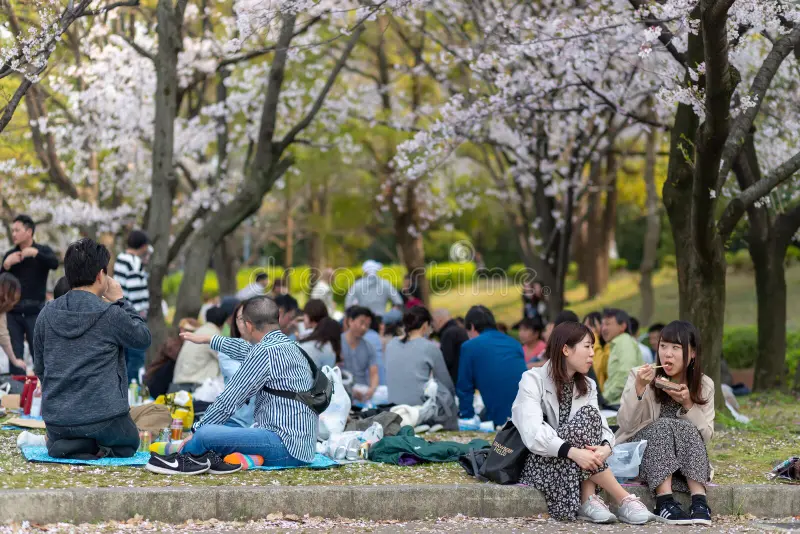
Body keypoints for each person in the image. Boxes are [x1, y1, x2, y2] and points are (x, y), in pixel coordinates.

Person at [159, 296, 317, 475]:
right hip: (304, 448)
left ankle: (182, 453)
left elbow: (228, 401)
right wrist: (209, 339)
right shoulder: (291, 346)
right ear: (276, 318)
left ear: (249, 325)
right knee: (218, 431)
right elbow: (244, 349)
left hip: (284, 446)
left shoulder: (265, 352)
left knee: (206, 435)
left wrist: (196, 431)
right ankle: (247, 458)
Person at [512, 322, 650, 523]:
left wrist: (605, 447)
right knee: (587, 418)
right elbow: (533, 432)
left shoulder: (588, 385)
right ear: (566, 349)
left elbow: (600, 426)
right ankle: (623, 499)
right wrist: (574, 452)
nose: (592, 353)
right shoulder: (532, 380)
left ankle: (589, 498)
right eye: (587, 346)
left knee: (590, 417)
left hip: (575, 462)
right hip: (542, 461)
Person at [33, 238, 151, 459]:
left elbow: (40, 368)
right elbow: (143, 338)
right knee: (129, 441)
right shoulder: (111, 314)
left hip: (57, 421)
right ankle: (94, 446)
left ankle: (72, 444)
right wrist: (121, 300)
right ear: (100, 275)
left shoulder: (46, 314)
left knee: (75, 431)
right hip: (104, 420)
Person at [616, 320, 714, 525]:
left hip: (685, 466)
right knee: (663, 425)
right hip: (643, 454)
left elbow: (705, 437)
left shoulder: (704, 385)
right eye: (663, 346)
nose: (667, 354)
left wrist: (688, 405)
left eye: (676, 348)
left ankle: (699, 501)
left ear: (693, 353)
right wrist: (640, 389)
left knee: (684, 426)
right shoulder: (640, 375)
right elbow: (625, 424)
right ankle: (664, 502)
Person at [1, 214, 59, 376]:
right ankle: (17, 393)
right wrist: (6, 266)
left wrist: (35, 254)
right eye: (12, 231)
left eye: (17, 230)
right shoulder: (11, 255)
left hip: (36, 311)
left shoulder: (42, 251)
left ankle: (43, 390)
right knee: (16, 353)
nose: (13, 234)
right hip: (13, 312)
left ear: (29, 232)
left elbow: (54, 263)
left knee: (39, 352)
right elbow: (2, 282)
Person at [456, 305, 527, 427]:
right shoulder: (514, 344)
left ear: (472, 327)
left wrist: (466, 417)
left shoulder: (469, 346)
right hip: (528, 413)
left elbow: (464, 388)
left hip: (500, 420)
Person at [386, 307, 456, 412]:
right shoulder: (429, 347)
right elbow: (446, 385)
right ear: (425, 326)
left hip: (393, 407)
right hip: (419, 410)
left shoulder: (391, 344)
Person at [113, 230, 151, 383]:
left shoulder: (120, 259)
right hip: (133, 315)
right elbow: (135, 290)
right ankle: (132, 390)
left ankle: (123, 388)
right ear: (142, 246)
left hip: (120, 311)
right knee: (136, 357)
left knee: (125, 357)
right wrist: (140, 313)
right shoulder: (134, 262)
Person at [216, 301, 255, 429]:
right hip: (237, 421)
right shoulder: (227, 349)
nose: (245, 323)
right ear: (235, 322)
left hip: (266, 424)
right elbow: (243, 379)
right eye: (241, 319)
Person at [171, 307, 228, 390]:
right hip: (195, 388)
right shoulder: (214, 336)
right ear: (223, 323)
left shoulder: (196, 333)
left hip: (176, 385)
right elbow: (226, 360)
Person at [600, 308, 643, 406]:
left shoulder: (624, 342)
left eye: (608, 324)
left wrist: (604, 398)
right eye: (602, 324)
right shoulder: (617, 343)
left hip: (620, 405)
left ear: (622, 326)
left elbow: (626, 375)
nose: (603, 328)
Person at [340, 306, 379, 402]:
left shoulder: (369, 347)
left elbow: (374, 373)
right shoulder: (337, 343)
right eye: (361, 323)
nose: (364, 328)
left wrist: (372, 389)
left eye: (367, 325)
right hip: (340, 393)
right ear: (350, 321)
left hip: (362, 394)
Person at [432, 308, 469, 385]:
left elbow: (445, 361)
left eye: (433, 321)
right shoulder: (459, 330)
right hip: (466, 378)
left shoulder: (448, 334)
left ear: (439, 320)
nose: (432, 325)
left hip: (456, 382)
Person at [0, 273, 25, 374]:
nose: (14, 303)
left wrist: (15, 360)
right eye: (14, 299)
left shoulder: (1, 311)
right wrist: (14, 360)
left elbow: (3, 335)